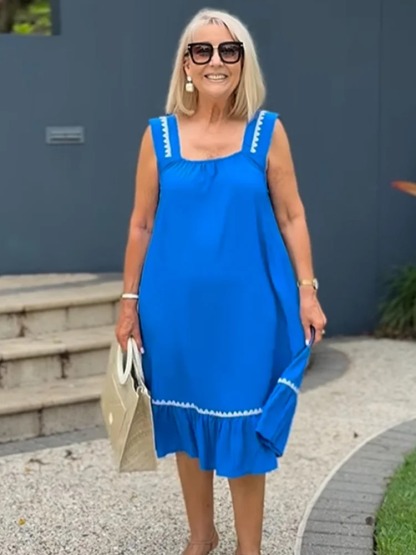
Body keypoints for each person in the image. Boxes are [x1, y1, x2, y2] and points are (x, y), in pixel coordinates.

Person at [115, 8, 327, 555]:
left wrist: (307, 290)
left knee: (244, 420)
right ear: (186, 64)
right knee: (187, 414)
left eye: (229, 50)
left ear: (243, 63)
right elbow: (141, 224)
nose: (216, 60)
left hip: (247, 311)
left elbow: (292, 216)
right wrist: (129, 302)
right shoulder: (158, 136)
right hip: (174, 309)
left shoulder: (267, 132)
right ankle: (202, 535)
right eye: (202, 50)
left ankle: (248, 549)